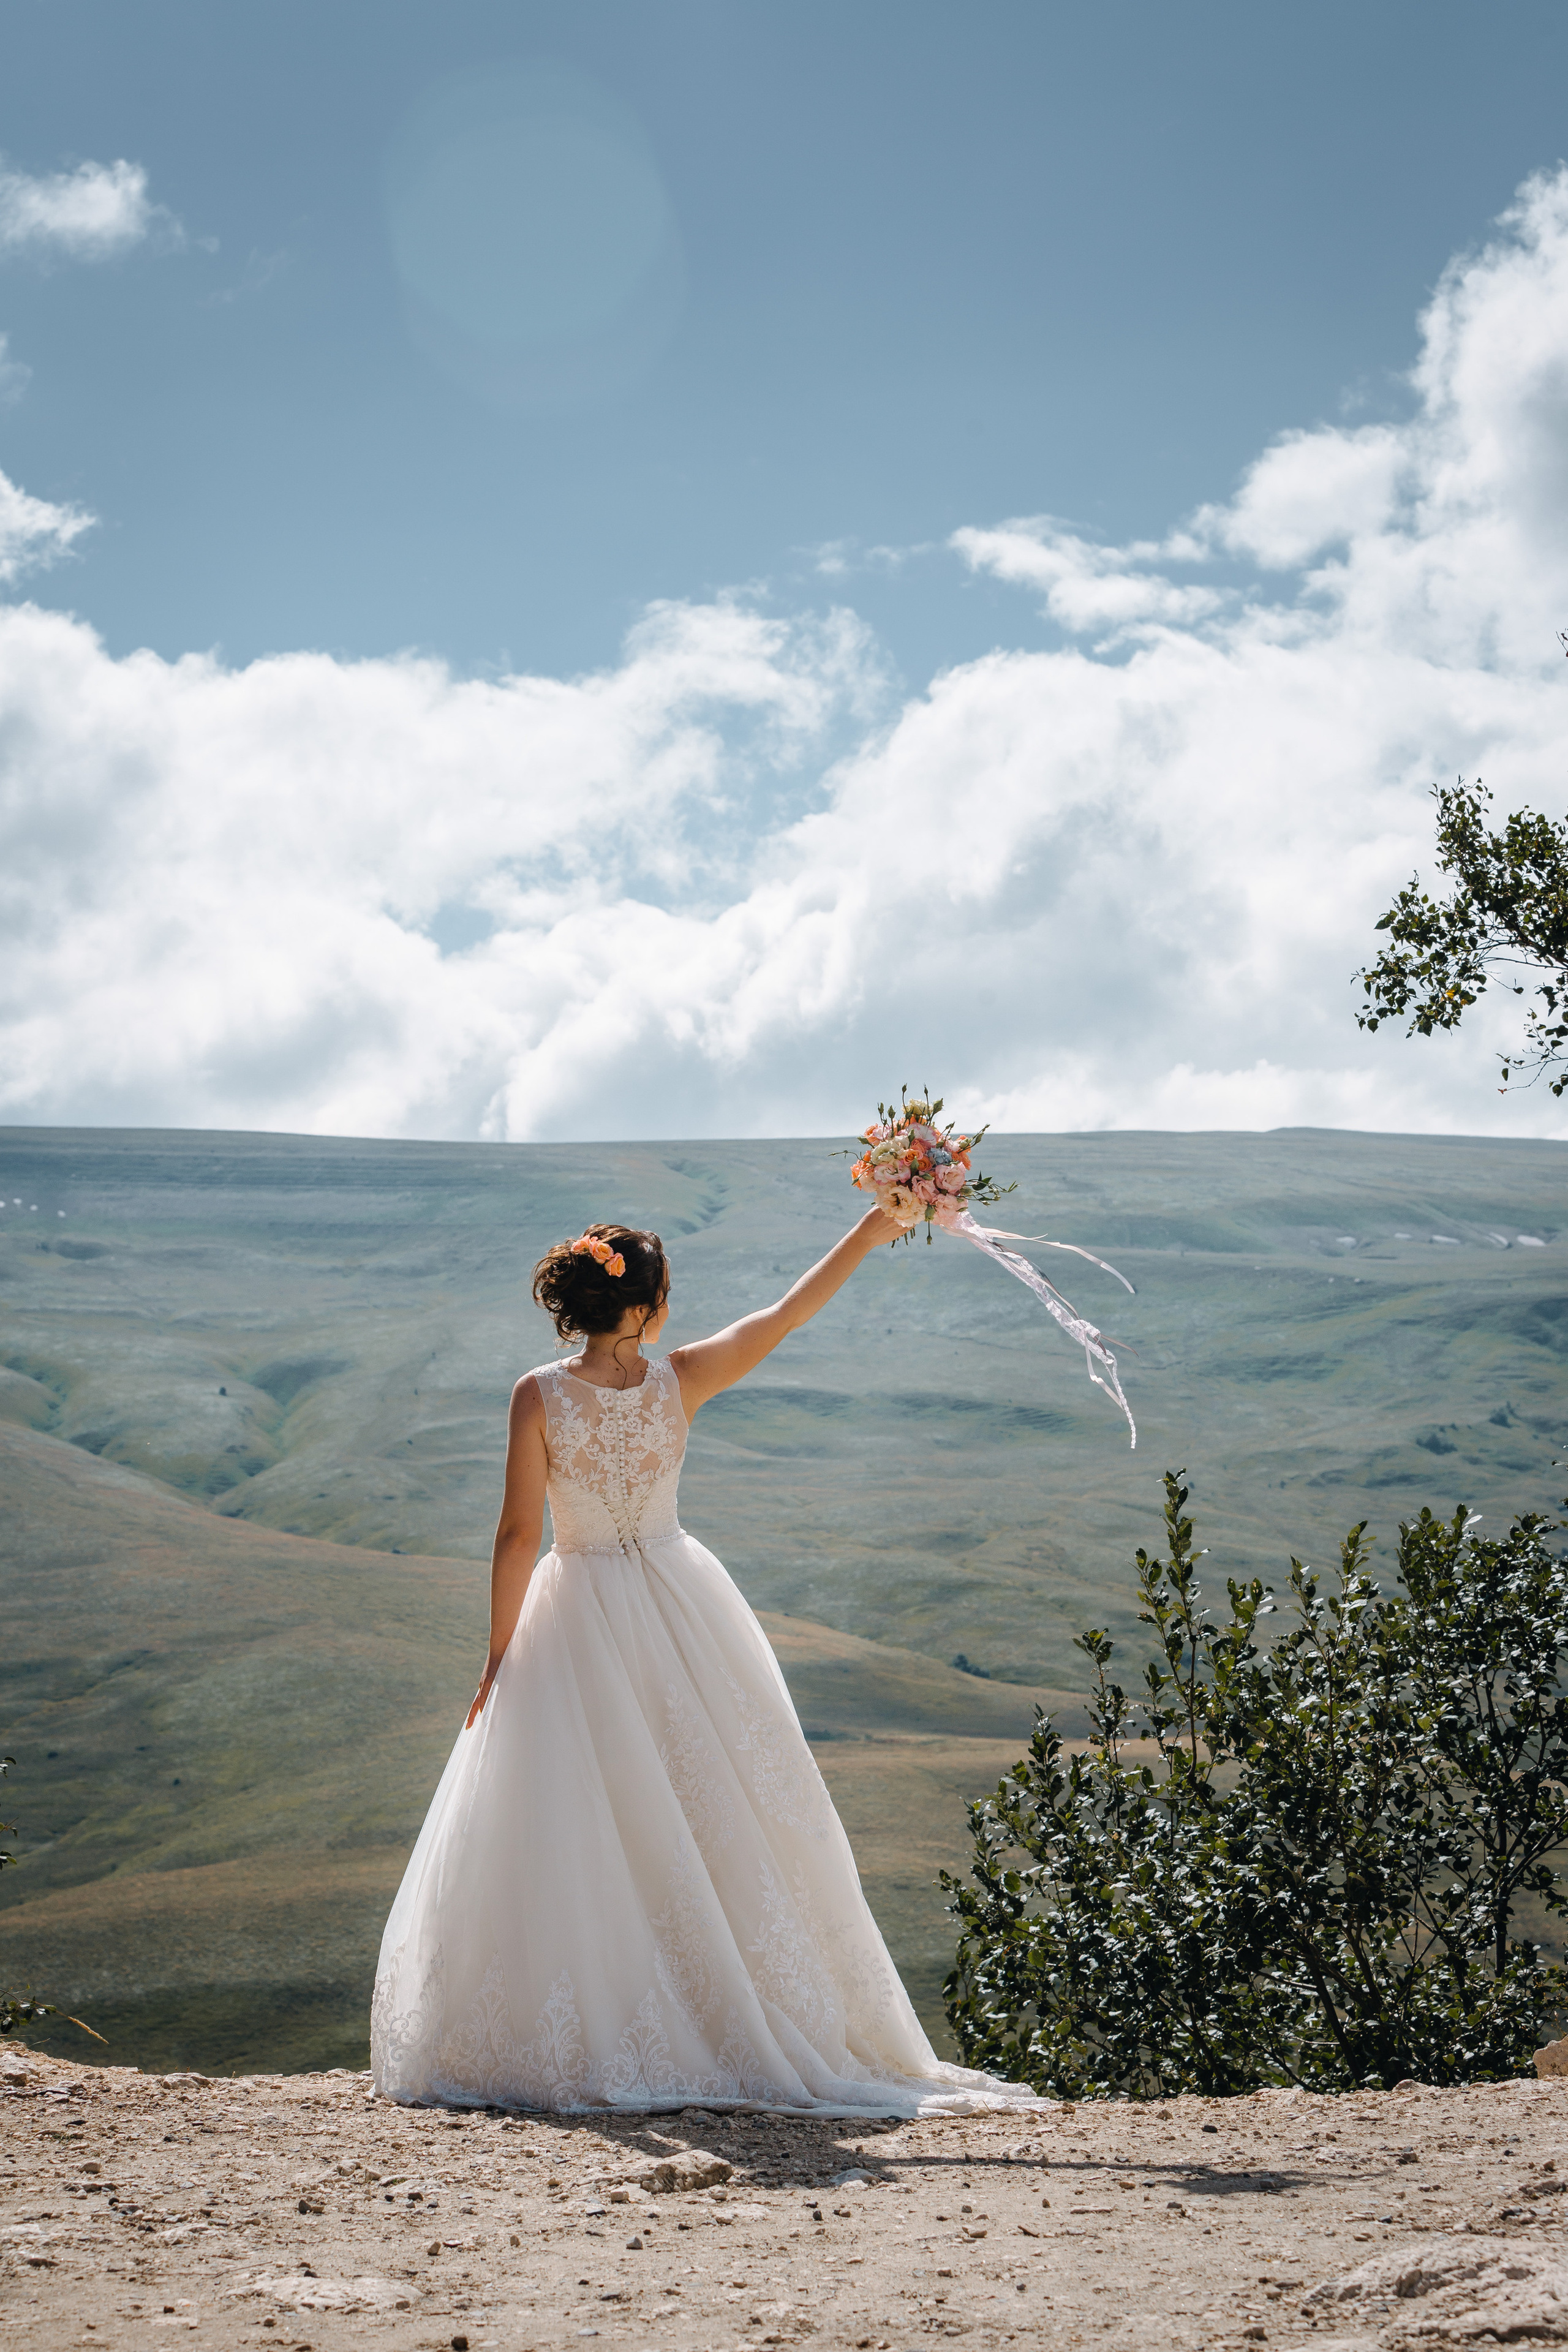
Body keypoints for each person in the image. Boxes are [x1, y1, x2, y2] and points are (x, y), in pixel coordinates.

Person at [371, 1209, 1043, 2115]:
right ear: (646, 1308)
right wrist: (870, 1230)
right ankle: (725, 2010)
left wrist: (498, 1656)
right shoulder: (679, 1379)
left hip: (578, 1611)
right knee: (718, 1809)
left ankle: (613, 2024)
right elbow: (786, 1314)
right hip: (684, 1605)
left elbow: (518, 1533)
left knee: (584, 1821)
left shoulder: (538, 1394)